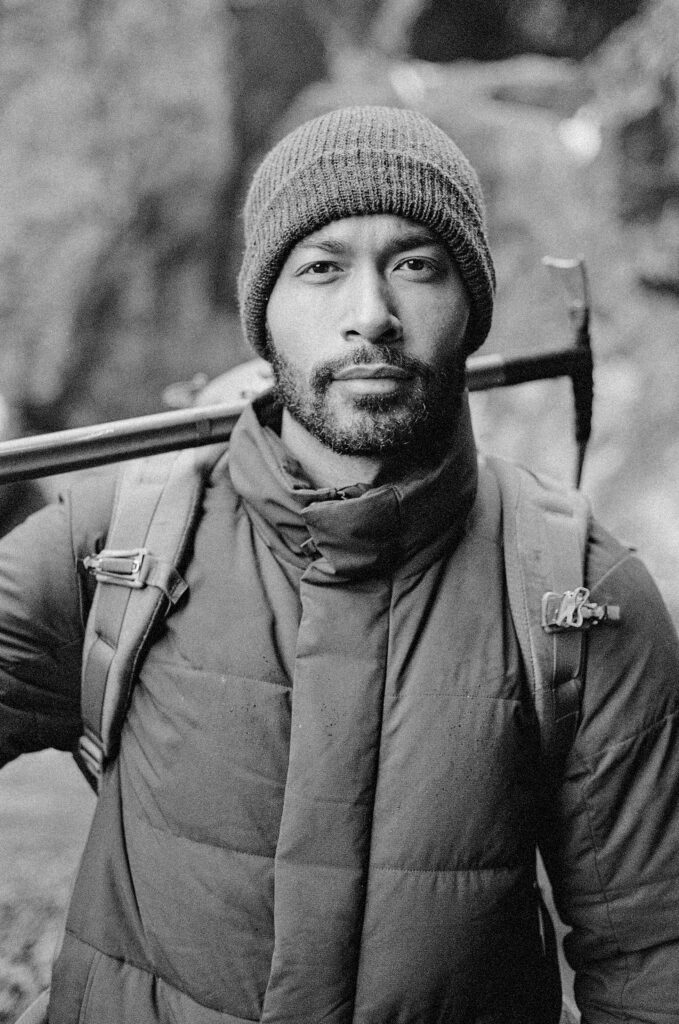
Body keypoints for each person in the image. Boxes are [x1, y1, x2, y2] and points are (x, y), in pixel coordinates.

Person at [2, 105, 679, 1024]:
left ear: (472, 307)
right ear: (264, 315)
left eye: (416, 265)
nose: (370, 316)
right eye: (320, 268)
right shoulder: (114, 543)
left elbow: (651, 962)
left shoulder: (577, 595)